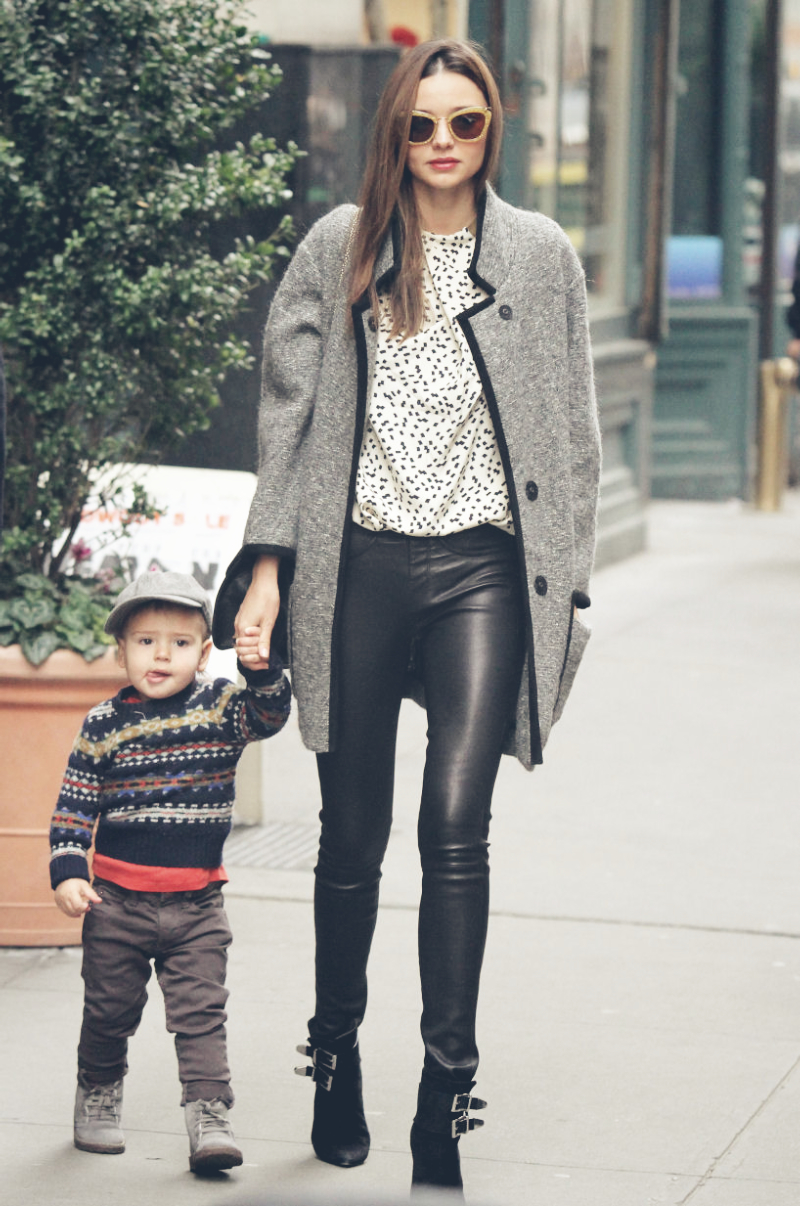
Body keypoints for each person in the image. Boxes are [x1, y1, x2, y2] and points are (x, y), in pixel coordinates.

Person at [214, 37, 601, 1197]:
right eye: (420, 123)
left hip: (483, 571)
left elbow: (571, 430)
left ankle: (445, 1092)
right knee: (350, 835)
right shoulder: (342, 246)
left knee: (455, 826)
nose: (441, 142)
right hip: (359, 569)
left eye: (463, 122)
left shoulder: (537, 256)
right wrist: (269, 570)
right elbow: (288, 422)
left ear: (493, 130)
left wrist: (568, 578)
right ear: (394, 130)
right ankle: (334, 1057)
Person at [49, 571, 291, 1173]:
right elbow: (75, 805)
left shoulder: (221, 708)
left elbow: (268, 715)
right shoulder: (104, 723)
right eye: (145, 642)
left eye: (179, 644)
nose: (161, 656)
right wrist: (68, 872)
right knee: (108, 1010)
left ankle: (210, 1115)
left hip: (197, 906)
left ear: (203, 654)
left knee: (201, 1014)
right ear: (121, 651)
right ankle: (98, 1090)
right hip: (116, 903)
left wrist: (260, 669)